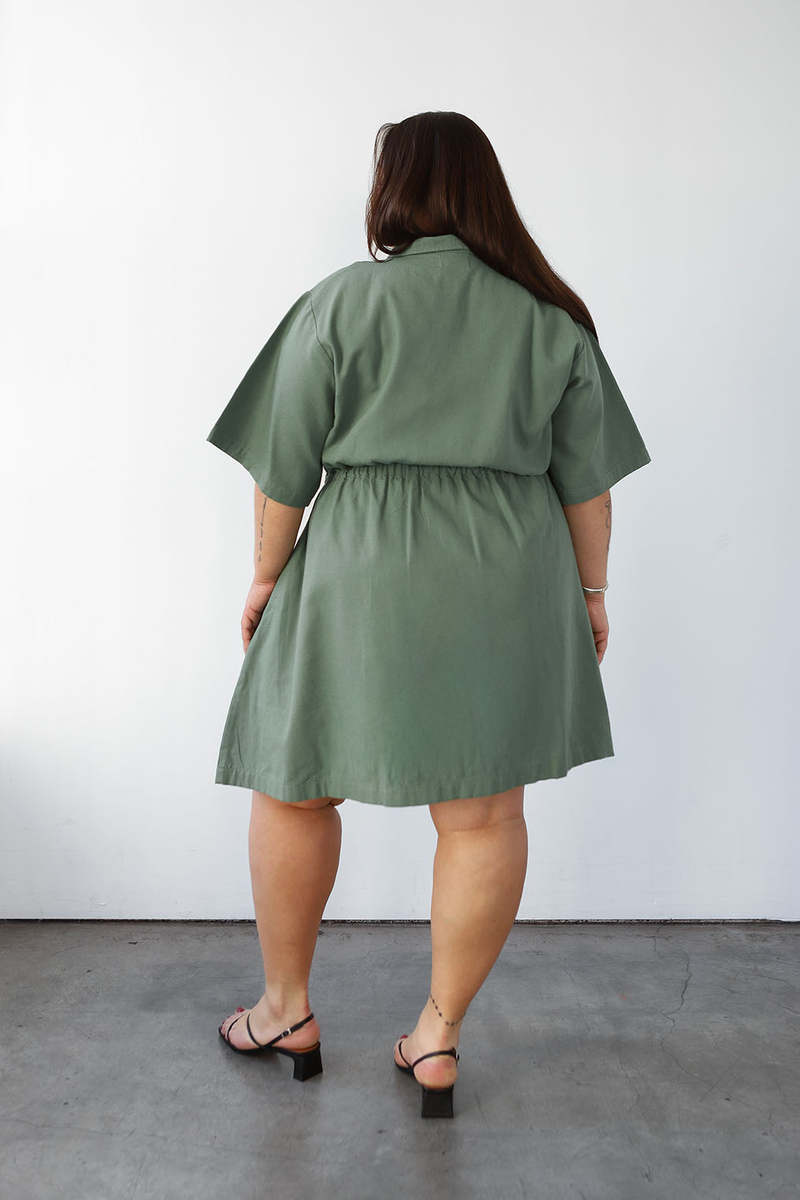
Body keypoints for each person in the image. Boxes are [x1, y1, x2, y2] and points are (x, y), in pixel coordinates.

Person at [208, 111, 652, 1118]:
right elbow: (589, 491)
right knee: (484, 814)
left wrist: (265, 577)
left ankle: (285, 1010)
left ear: (394, 191)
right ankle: (439, 1035)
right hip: (507, 575)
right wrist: (591, 594)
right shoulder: (549, 320)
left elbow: (282, 472)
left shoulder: (339, 302)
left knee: (295, 785)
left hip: (357, 567)